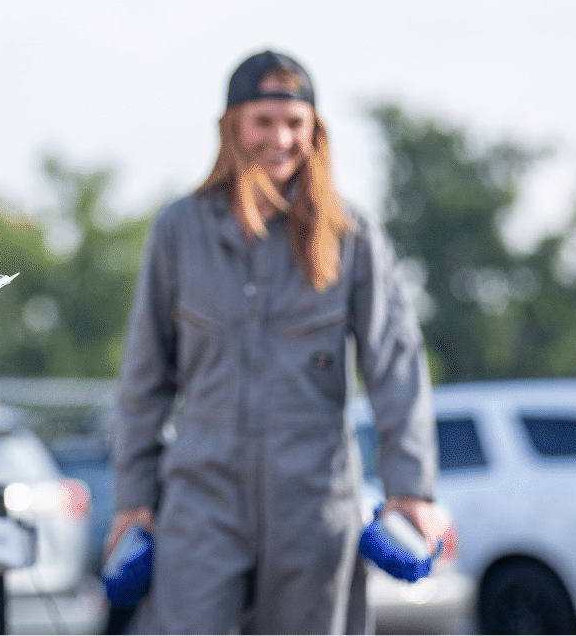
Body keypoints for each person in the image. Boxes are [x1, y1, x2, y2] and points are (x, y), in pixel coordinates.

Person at [107, 49, 441, 635]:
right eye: (263, 122)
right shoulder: (178, 232)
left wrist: (410, 489)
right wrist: (135, 497)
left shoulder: (352, 237)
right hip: (201, 508)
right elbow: (145, 377)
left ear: (315, 133)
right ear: (232, 127)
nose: (280, 139)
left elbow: (396, 366)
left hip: (313, 510)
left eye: (296, 124)